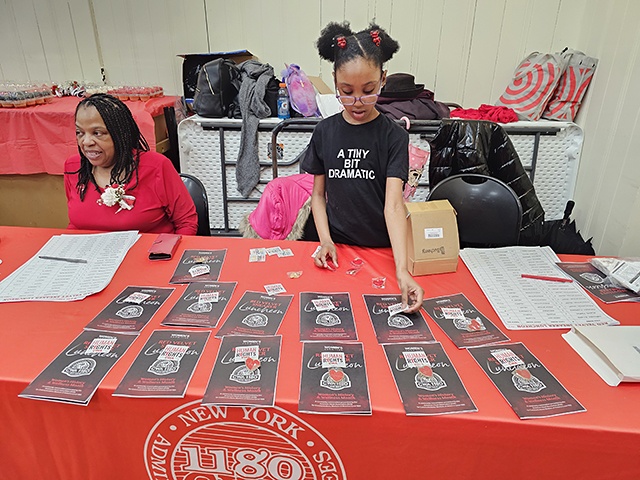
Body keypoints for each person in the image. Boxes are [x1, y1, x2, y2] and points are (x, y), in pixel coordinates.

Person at [302, 21, 424, 312]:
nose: (357, 102)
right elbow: (317, 196)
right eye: (346, 91)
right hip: (337, 245)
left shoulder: (394, 136)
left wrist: (402, 270)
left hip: (380, 246)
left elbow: (393, 206)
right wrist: (325, 240)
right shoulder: (324, 132)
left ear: (383, 79)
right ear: (334, 81)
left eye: (368, 90)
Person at [65, 94, 198, 235]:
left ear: (121, 134)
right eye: (79, 132)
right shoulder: (73, 167)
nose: (86, 142)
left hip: (151, 248)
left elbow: (186, 222)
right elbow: (75, 224)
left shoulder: (156, 166)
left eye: (97, 133)